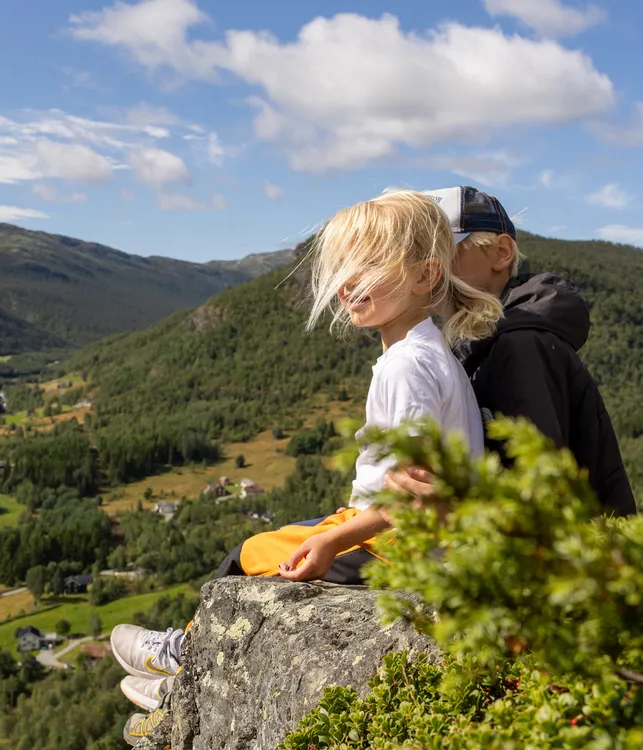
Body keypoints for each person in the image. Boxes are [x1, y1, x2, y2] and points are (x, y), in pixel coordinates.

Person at [114, 188, 504, 745]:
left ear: (424, 276)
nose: (348, 281)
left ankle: (185, 670)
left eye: (368, 264)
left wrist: (332, 541)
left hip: (400, 548)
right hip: (410, 539)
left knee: (252, 556)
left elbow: (416, 497)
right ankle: (186, 656)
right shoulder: (426, 351)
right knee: (265, 546)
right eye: (343, 267)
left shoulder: (407, 368)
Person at [385, 186, 637, 518]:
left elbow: (539, 490)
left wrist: (449, 500)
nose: (428, 269)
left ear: (502, 253)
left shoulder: (520, 346)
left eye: (443, 251)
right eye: (416, 257)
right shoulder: (476, 342)